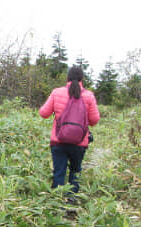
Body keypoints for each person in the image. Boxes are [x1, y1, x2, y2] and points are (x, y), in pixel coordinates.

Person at [39, 66, 100, 195]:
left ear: (67, 78)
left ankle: (57, 202)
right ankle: (72, 201)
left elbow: (43, 113)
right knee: (75, 171)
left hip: (58, 140)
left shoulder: (57, 92)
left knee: (59, 172)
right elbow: (94, 120)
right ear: (82, 79)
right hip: (79, 143)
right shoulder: (89, 96)